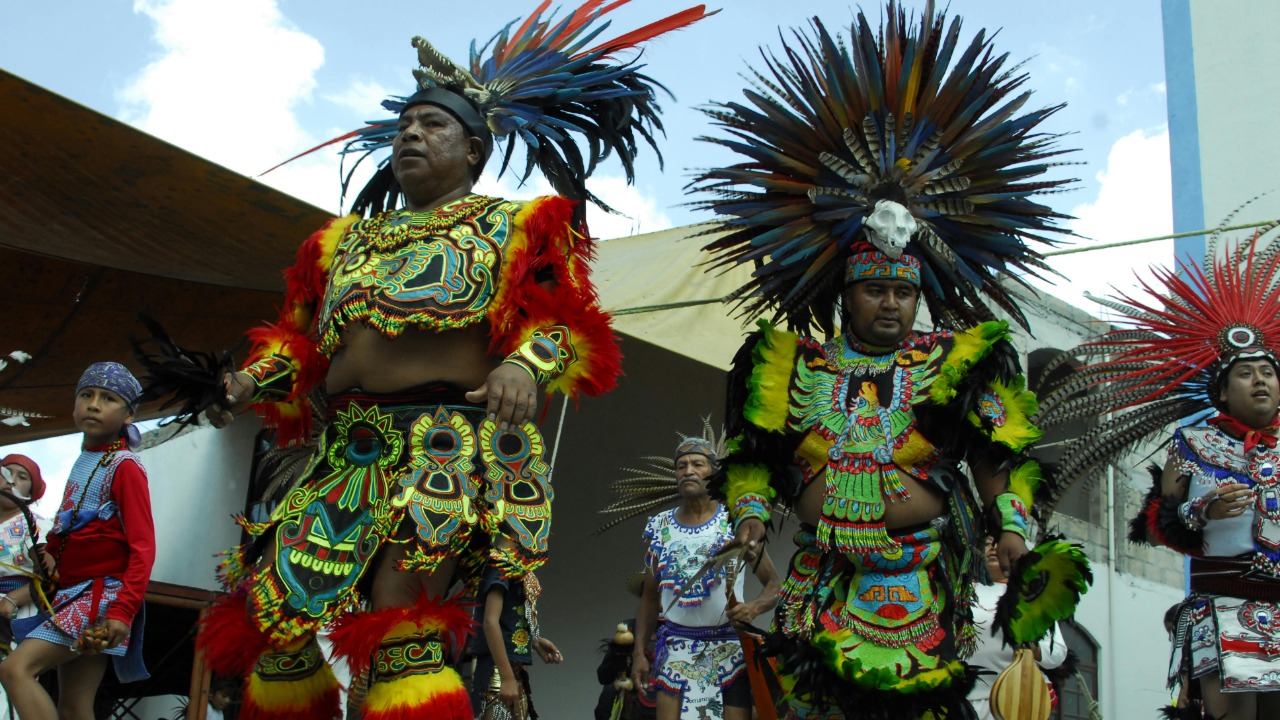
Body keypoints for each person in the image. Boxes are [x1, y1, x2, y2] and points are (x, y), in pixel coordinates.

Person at [184, 4, 712, 719]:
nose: (410, 134)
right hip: (345, 452)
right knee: (275, 617)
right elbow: (300, 344)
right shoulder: (337, 244)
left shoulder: (518, 224)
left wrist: (524, 366)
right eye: (404, 124)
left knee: (400, 622)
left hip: (441, 448)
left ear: (473, 151)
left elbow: (568, 324)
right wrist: (250, 380)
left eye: (432, 125)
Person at [685, 4, 1081, 717]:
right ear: (846, 294)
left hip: (921, 577)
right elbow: (754, 458)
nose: (892, 304)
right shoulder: (792, 364)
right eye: (875, 290)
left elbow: (998, 455)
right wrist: (750, 519)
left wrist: (1014, 531)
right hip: (822, 574)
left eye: (904, 292)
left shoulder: (956, 361)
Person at [1035, 241, 1280, 720]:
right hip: (1224, 604)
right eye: (1246, 373)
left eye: (1268, 372)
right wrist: (1204, 510)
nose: (1260, 381)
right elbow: (1155, 524)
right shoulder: (1193, 443)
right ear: (1222, 392)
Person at [0, 362, 156, 720]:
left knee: (15, 670)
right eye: (86, 395)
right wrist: (50, 555)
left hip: (101, 597)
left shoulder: (125, 466)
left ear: (129, 415)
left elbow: (144, 548)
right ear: (74, 405)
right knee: (74, 707)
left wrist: (122, 611)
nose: (94, 404)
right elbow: (68, 530)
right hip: (73, 593)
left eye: (108, 398)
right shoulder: (85, 461)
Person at [630, 436, 780, 720]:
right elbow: (649, 598)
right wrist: (639, 653)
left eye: (697, 464)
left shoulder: (737, 523)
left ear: (714, 471)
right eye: (681, 466)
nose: (688, 471)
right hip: (675, 650)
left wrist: (753, 608)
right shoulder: (660, 526)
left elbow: (774, 585)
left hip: (729, 650)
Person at [966, 537, 1067, 720]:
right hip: (961, 701)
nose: (993, 548)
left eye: (999, 543)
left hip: (1014, 700)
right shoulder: (959, 591)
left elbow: (1057, 652)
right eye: (987, 544)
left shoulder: (1031, 596)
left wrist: (1035, 650)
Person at [470, 567, 563, 719]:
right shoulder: (501, 566)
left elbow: (509, 619)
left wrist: (534, 642)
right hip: (497, 672)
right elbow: (490, 622)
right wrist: (506, 678)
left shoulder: (519, 566)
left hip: (515, 673)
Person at [0, 454, 48, 642]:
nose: (11, 481)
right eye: (6, 473)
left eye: (22, 477)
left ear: (30, 492)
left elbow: (53, 577)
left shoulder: (36, 526)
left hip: (12, 614)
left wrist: (12, 599)